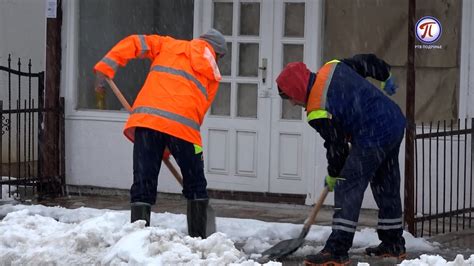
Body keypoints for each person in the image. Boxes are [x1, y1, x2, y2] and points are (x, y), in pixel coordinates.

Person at [93, 29, 227, 239]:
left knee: (143, 183)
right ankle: (199, 238)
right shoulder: (213, 72)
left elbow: (134, 42)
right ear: (217, 53)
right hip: (184, 131)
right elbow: (198, 112)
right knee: (196, 184)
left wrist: (108, 65)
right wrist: (175, 142)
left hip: (148, 123)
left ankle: (136, 240)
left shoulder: (169, 45)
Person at [275, 54, 406, 265]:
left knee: (348, 186)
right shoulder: (332, 68)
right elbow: (367, 61)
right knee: (385, 184)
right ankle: (393, 244)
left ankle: (337, 250)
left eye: (288, 96)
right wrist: (385, 74)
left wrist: (335, 175)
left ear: (296, 89)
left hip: (373, 133)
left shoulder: (317, 109)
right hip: (394, 121)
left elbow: (337, 147)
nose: (291, 103)